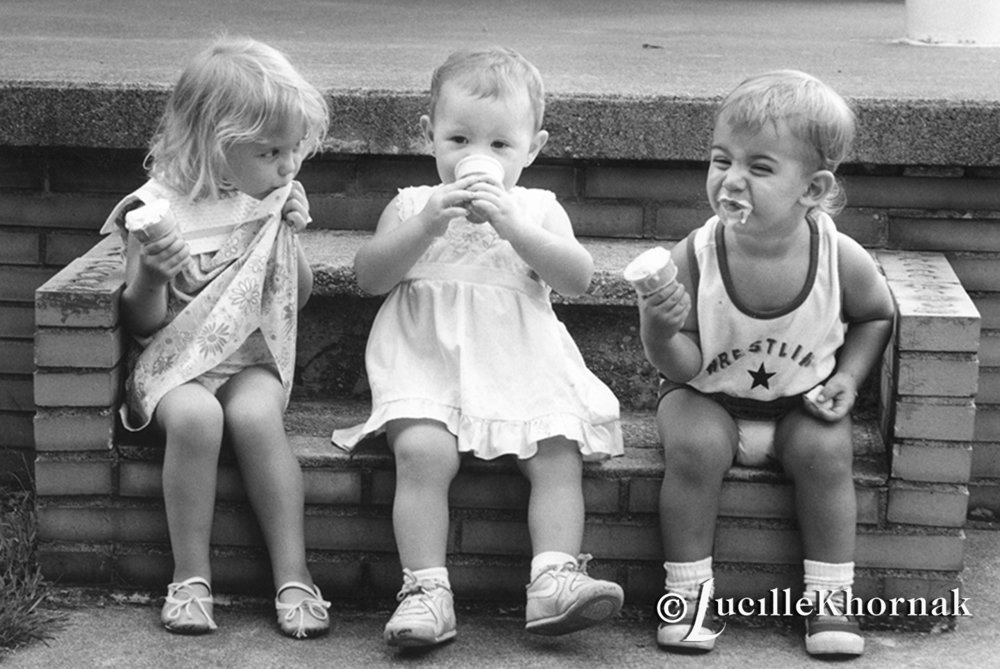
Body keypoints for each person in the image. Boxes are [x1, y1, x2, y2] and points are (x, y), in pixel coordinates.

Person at [332, 47, 625, 648]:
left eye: (500, 146)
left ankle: (553, 578)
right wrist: (426, 226)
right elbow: (370, 277)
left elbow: (577, 277)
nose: (477, 158)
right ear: (429, 136)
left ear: (533, 149)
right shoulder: (414, 202)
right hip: (427, 362)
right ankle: (425, 590)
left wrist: (514, 226)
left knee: (557, 453)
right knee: (421, 452)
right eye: (460, 139)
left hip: (520, 363)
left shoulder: (539, 208)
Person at [638, 70, 894, 657]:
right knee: (696, 446)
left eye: (759, 167)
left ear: (812, 188)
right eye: (720, 159)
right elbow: (681, 367)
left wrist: (849, 378)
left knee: (828, 451)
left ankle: (831, 599)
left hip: (797, 403)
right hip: (707, 396)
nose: (730, 180)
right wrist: (659, 326)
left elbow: (876, 315)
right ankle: (687, 597)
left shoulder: (837, 255)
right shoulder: (696, 256)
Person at [100, 36, 332, 639]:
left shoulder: (268, 198)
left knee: (257, 417)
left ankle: (294, 574)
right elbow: (144, 323)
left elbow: (295, 298)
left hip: (247, 358)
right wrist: (151, 273)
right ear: (214, 145)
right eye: (271, 151)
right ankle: (191, 576)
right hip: (173, 365)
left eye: (294, 150)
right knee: (199, 419)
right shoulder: (156, 211)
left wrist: (290, 239)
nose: (288, 166)